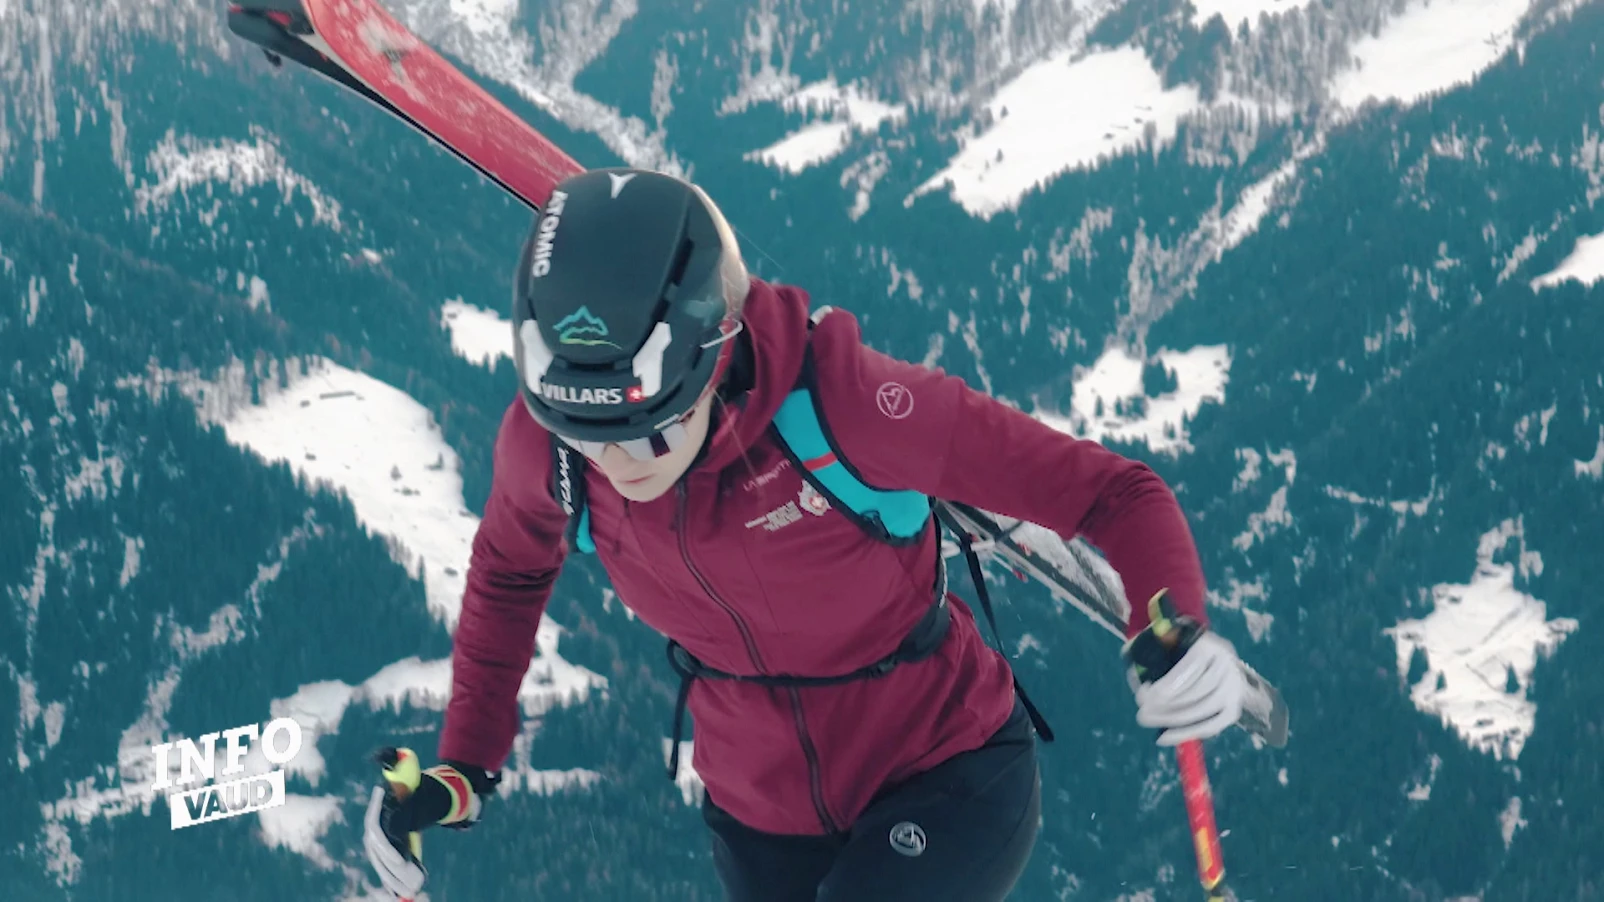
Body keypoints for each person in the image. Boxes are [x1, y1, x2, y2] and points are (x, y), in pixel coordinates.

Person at [362, 168, 1247, 901]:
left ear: (712, 359)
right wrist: (464, 771)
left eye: (651, 425)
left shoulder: (849, 407)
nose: (619, 460)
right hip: (757, 816)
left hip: (947, 771)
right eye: (590, 434)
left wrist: (1172, 618)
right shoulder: (549, 453)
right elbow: (510, 575)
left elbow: (1114, 494)